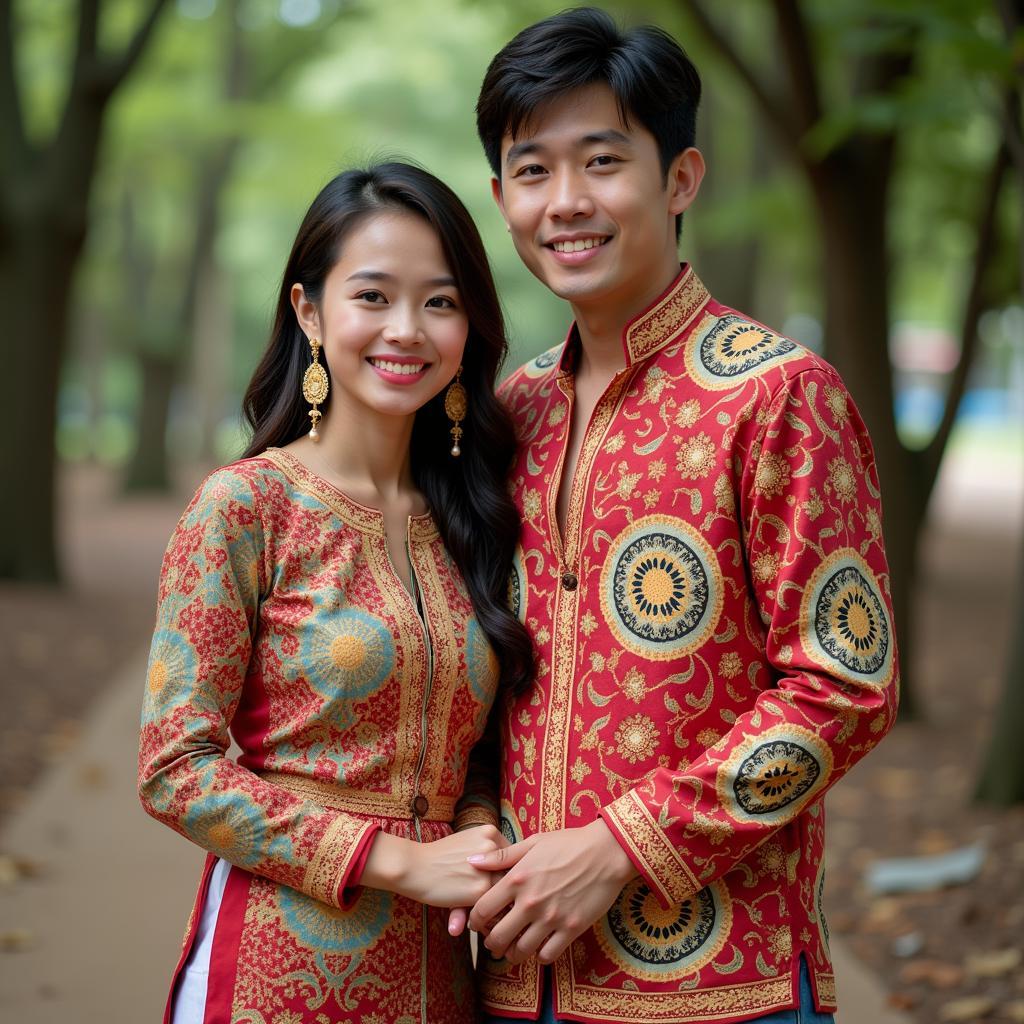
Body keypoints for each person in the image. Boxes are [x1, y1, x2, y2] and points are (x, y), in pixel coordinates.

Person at [458, 9, 899, 1023]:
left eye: (602, 160)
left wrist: (619, 847)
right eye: (532, 171)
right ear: (499, 197)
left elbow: (845, 684)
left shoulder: (779, 394)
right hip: (513, 979)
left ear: (681, 178)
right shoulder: (506, 412)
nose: (565, 202)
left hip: (720, 983)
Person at [138, 161, 533, 1024]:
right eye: (373, 296)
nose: (407, 329)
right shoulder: (245, 507)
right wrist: (395, 861)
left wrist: (476, 833)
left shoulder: (473, 519)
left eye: (440, 301)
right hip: (275, 976)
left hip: (442, 980)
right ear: (309, 311)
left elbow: (465, 748)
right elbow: (175, 770)